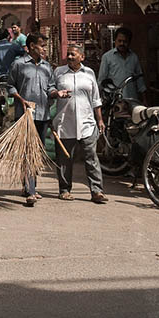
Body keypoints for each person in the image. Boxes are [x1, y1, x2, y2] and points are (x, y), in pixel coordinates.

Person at [51, 42, 107, 203]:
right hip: (64, 123)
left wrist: (100, 120)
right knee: (64, 159)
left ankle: (97, 191)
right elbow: (50, 92)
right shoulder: (59, 73)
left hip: (87, 123)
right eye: (68, 54)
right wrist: (55, 95)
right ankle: (64, 189)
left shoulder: (89, 73)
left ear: (81, 57)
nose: (69, 57)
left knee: (91, 158)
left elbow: (96, 99)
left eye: (73, 54)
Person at [2, 33, 54, 206]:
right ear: (32, 46)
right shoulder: (19, 65)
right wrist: (21, 99)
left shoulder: (47, 67)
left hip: (43, 115)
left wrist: (57, 93)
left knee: (37, 152)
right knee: (27, 151)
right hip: (25, 116)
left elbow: (51, 87)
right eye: (42, 46)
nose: (44, 49)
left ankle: (29, 185)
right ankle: (31, 190)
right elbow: (10, 86)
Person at [98, 27, 146, 104]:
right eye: (119, 41)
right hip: (115, 101)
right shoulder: (107, 57)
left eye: (125, 41)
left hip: (132, 100)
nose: (122, 44)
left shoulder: (134, 57)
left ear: (129, 42)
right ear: (115, 40)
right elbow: (101, 81)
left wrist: (144, 99)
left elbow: (140, 80)